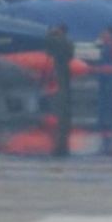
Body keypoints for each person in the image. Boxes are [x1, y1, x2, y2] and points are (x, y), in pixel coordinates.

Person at [42, 24, 75, 156]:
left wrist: (49, 34)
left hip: (59, 65)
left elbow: (48, 49)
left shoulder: (58, 40)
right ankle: (65, 110)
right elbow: (71, 55)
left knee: (61, 89)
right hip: (65, 66)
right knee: (66, 88)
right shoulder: (69, 41)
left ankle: (61, 111)